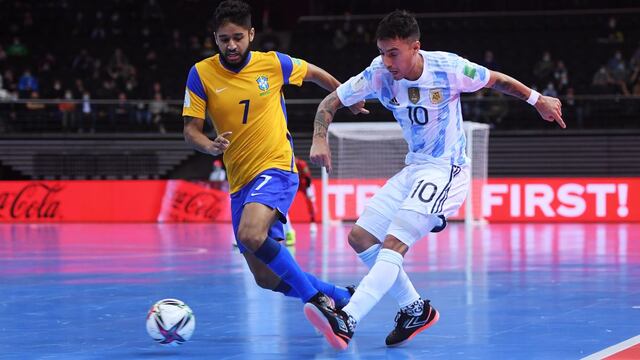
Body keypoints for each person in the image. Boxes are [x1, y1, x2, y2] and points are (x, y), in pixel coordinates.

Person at [304, 10, 565, 350]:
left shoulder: (449, 68)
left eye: (394, 52)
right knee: (360, 236)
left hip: (447, 169)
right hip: (414, 167)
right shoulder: (378, 73)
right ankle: (415, 309)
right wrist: (319, 137)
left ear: (415, 47)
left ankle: (348, 318)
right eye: (382, 51)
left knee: (394, 243)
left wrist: (537, 100)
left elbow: (496, 80)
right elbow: (330, 101)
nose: (387, 60)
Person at [182, 1, 365, 312]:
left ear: (251, 34)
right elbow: (190, 130)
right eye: (224, 39)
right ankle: (340, 294)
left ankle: (316, 300)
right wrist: (209, 145)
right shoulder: (200, 74)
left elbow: (314, 73)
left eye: (238, 37)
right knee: (265, 278)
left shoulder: (273, 63)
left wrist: (345, 97)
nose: (232, 45)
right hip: (240, 181)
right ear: (215, 38)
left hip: (276, 166)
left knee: (251, 234)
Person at [283, 156, 319, 246]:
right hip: (294, 184)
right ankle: (287, 229)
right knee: (285, 204)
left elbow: (308, 177)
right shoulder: (285, 164)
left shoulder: (301, 164)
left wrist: (309, 188)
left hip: (305, 185)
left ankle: (313, 222)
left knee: (311, 202)